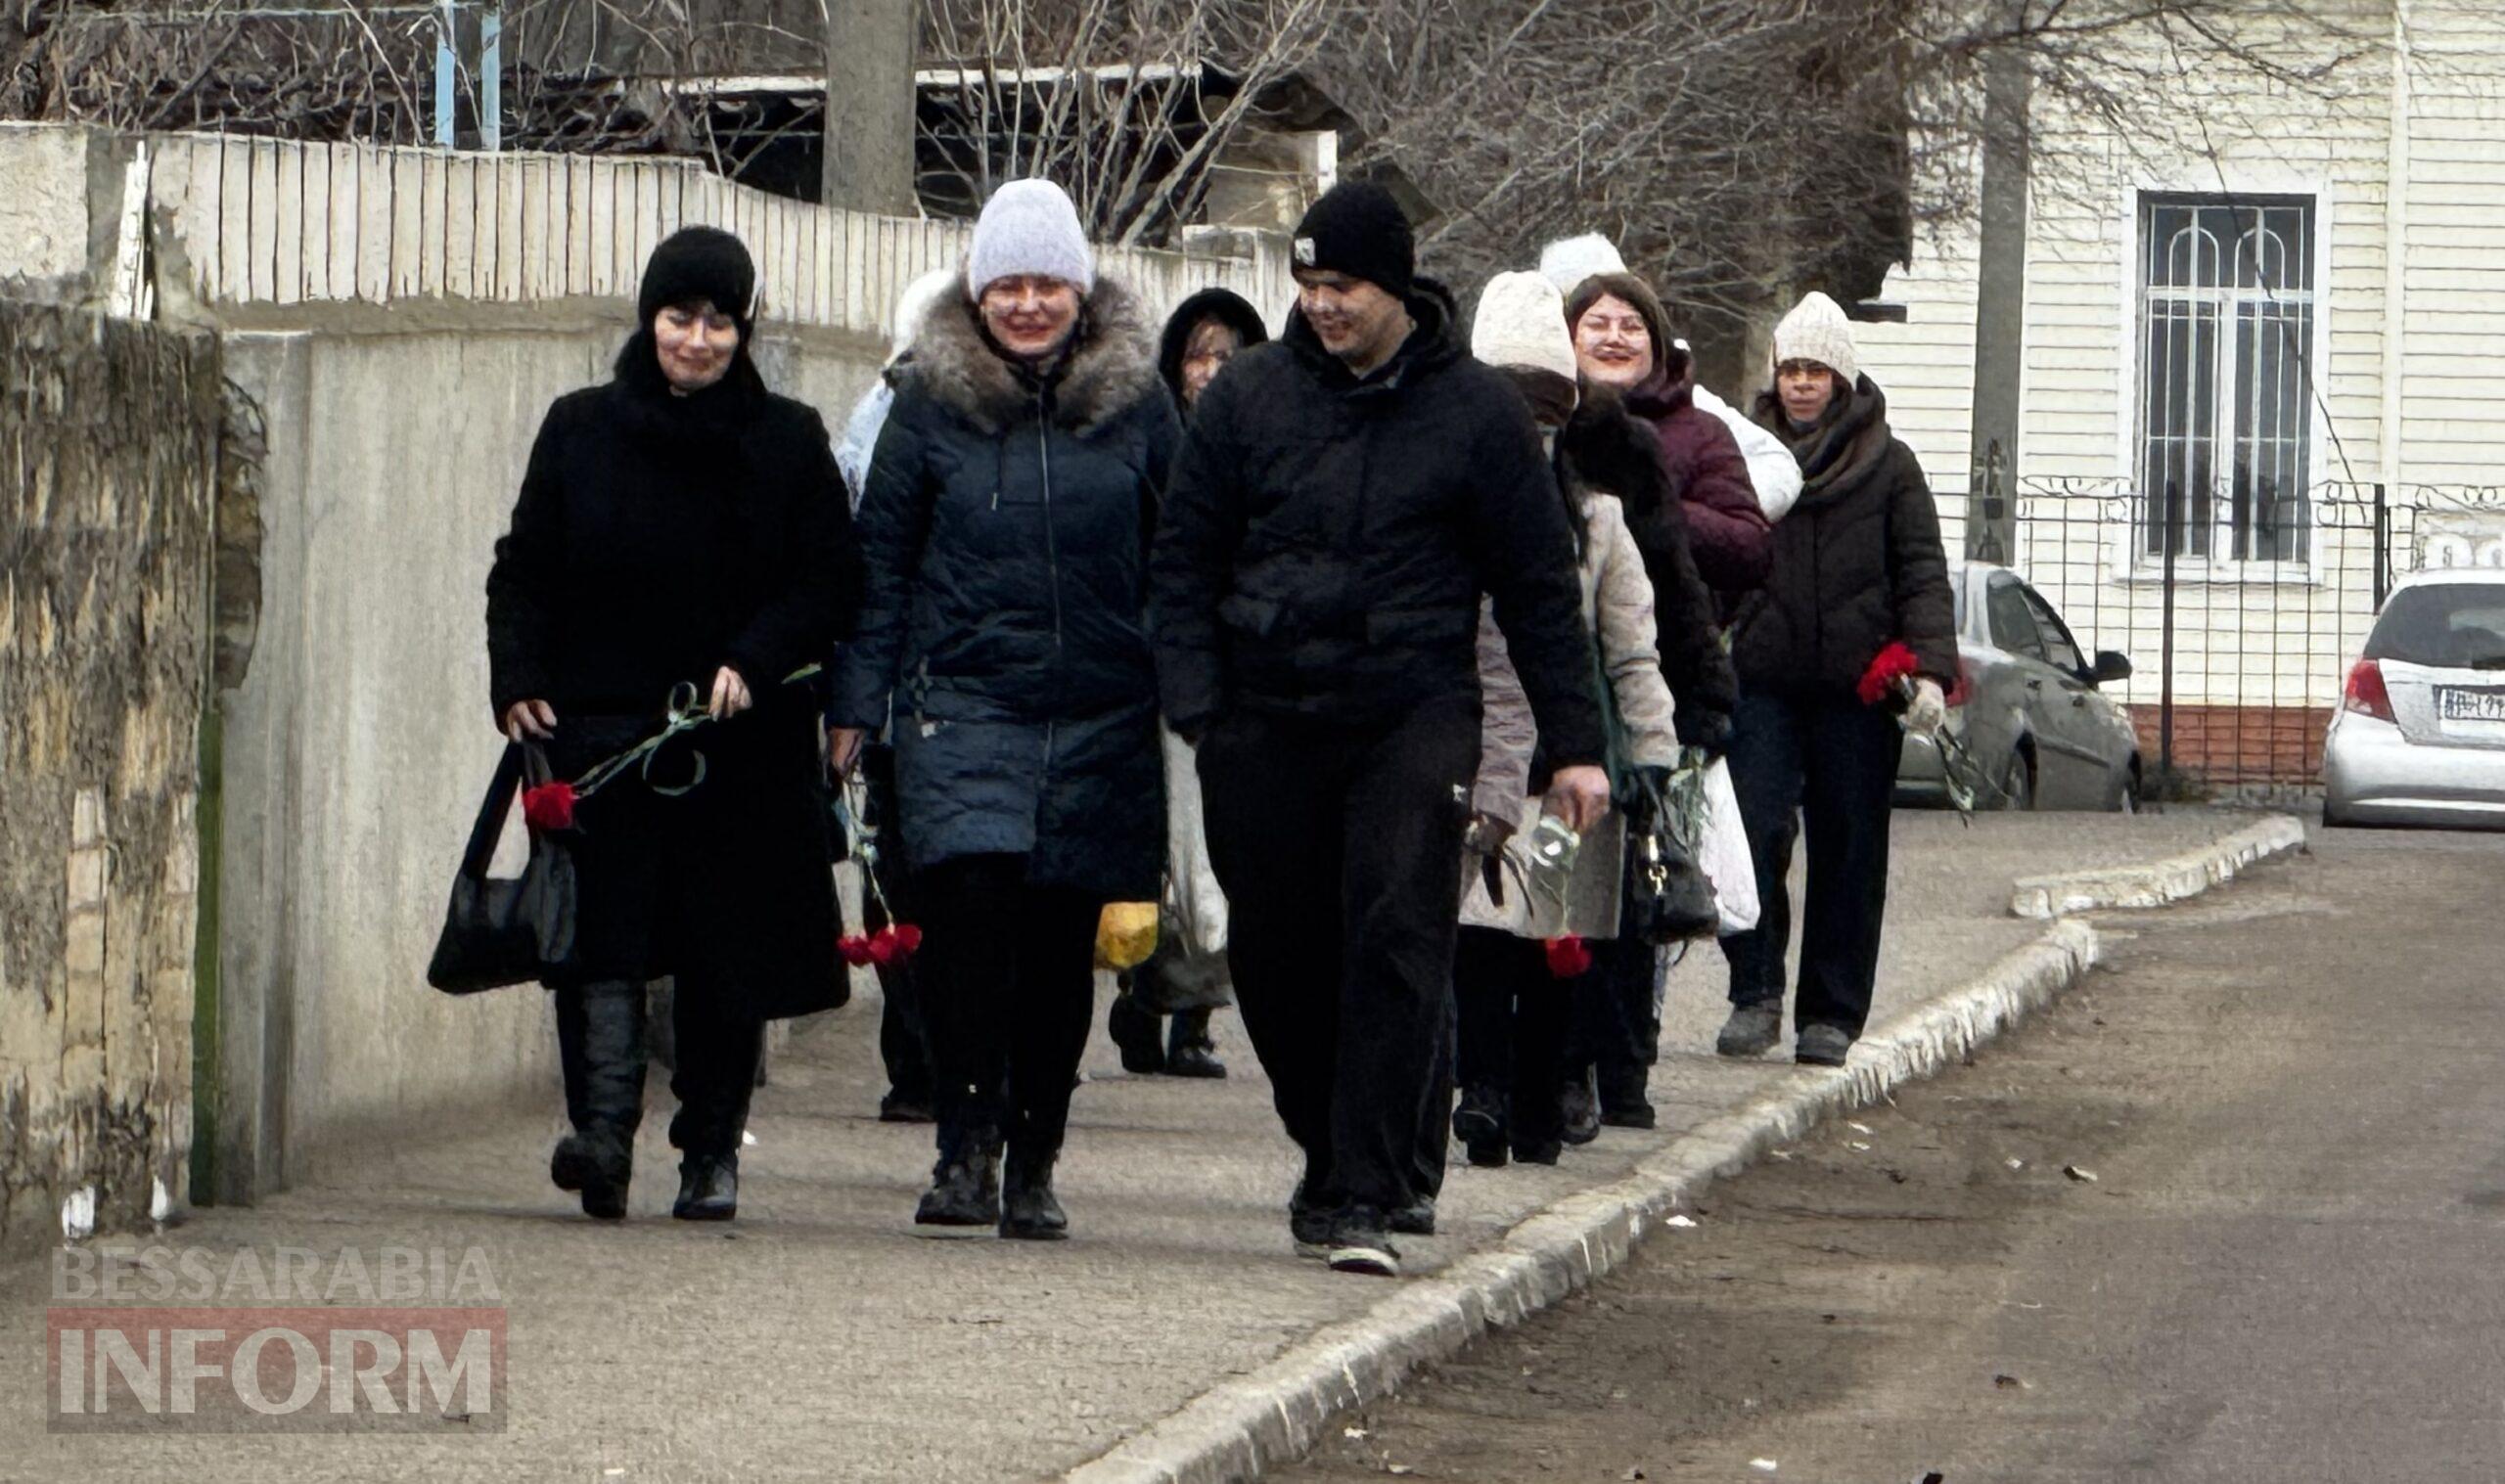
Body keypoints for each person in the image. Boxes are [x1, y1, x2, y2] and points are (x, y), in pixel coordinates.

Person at [1152, 181, 1610, 1278]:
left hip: (1413, 715)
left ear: (1396, 285)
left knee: (1395, 936)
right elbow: (1182, 560)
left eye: (1343, 286)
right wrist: (1200, 706)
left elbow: (1539, 590)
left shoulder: (1476, 414)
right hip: (1265, 718)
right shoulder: (1249, 397)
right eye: (1307, 284)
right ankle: (1329, 1148)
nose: (1322, 305)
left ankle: (1364, 1186)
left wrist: (1576, 745)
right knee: (1276, 954)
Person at [485, 225, 856, 1223]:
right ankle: (602, 1135)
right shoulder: (579, 429)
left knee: (723, 950)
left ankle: (709, 1148)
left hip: (736, 742)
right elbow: (523, 570)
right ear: (648, 319)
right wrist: (517, 675)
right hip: (605, 736)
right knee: (598, 941)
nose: (696, 340)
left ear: (745, 330)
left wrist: (753, 659)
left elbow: (828, 581)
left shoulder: (788, 441)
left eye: (718, 322)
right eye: (679, 317)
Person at [829, 180, 1176, 1240]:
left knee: (1057, 945)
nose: (1027, 304)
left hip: (1097, 712)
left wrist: (1185, 679)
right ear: (977, 294)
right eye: (1007, 285)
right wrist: (856, 704)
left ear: (1081, 290)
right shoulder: (927, 405)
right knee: (966, 932)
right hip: (962, 707)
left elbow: (1183, 553)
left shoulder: (1139, 405)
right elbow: (880, 567)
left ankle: (1034, 1157)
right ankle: (963, 1147)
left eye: (1047, 284)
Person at [1450, 272, 1686, 1168]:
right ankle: (1481, 1089)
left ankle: (1542, 1099)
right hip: (1472, 751)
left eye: (1548, 413)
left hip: (1565, 765)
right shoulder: (1442, 506)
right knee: (1477, 929)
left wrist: (1653, 756)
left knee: (1550, 933)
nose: (1531, 433)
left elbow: (1632, 649)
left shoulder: (1598, 520)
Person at [1719, 292, 1956, 1067]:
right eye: (1791, 367)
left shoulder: (1891, 465)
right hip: (1762, 682)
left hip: (1858, 692)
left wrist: (1929, 671)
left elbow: (1921, 572)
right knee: (1752, 832)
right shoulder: (1745, 454)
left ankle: (1830, 1012)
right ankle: (1754, 990)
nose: (1801, 383)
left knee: (1849, 848)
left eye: (1816, 370)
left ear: (1842, 379)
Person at [1105, 287, 1272, 1080]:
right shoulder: (1147, 433)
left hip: (1236, 668)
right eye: (1198, 355)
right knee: (1157, 849)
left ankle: (1194, 1017)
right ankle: (1143, 995)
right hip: (1151, 664)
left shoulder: (1267, 440)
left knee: (1216, 846)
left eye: (1227, 356)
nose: (1210, 371)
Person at [834, 266, 961, 1126]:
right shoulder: (883, 418)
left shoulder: (877, 417)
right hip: (901, 700)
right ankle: (919, 1060)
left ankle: (929, 1061)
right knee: (902, 882)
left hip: (938, 694)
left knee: (914, 882)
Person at [1538, 234, 1801, 526]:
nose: (1612, 337)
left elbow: (1777, 465)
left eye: (1625, 318)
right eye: (1594, 320)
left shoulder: (1681, 398)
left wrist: (1673, 513)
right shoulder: (1531, 399)